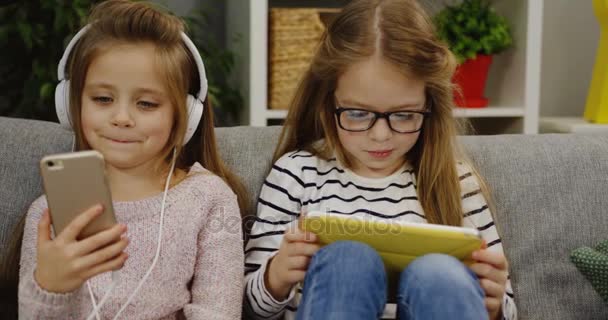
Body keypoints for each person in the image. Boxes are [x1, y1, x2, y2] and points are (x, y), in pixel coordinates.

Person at [243, 0, 517, 319]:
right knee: (347, 262)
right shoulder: (296, 173)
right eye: (358, 114)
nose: (381, 135)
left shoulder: (456, 182)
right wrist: (276, 276)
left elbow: (506, 308)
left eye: (403, 115)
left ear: (430, 105)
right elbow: (252, 308)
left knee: (439, 274)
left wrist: (495, 305)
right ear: (328, 100)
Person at [17, 1, 246, 319]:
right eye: (102, 99)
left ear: (185, 115)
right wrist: (49, 287)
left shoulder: (209, 198)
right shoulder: (47, 213)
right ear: (70, 106)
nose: (122, 117)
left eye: (147, 104)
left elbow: (218, 311)